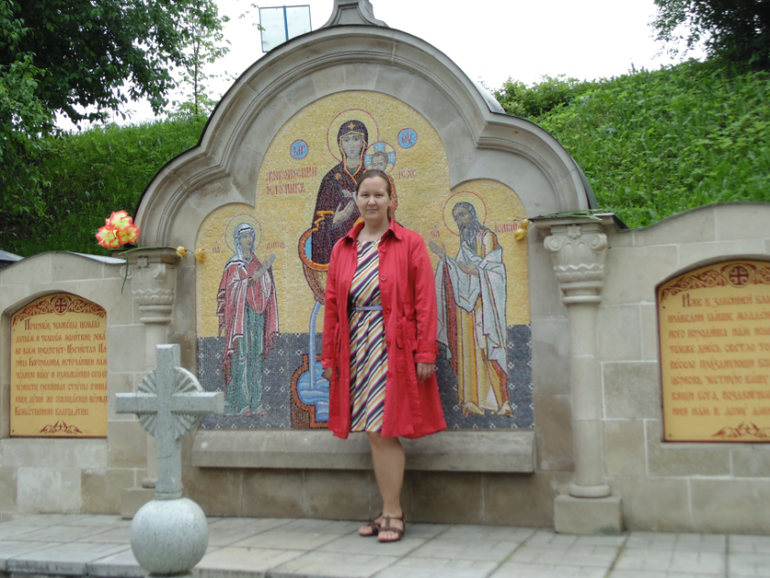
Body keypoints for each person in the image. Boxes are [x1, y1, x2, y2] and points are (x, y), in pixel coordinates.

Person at [322, 169, 446, 543]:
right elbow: (332, 308)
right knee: (374, 432)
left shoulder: (410, 243)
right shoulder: (343, 247)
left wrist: (425, 352)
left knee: (382, 430)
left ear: (392, 200)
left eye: (379, 194)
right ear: (356, 200)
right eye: (365, 195)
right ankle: (388, 510)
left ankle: (393, 513)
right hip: (356, 347)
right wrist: (329, 359)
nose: (372, 201)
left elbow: (425, 301)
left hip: (392, 346)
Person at [429, 202, 512, 417]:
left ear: (472, 215)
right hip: (466, 309)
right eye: (456, 217)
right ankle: (472, 400)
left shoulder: (487, 237)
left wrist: (477, 272)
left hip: (486, 306)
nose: (460, 221)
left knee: (488, 349)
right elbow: (460, 272)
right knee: (469, 352)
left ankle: (501, 402)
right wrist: (444, 259)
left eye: (463, 215)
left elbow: (497, 271)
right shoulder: (464, 243)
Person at [217, 223, 279, 416]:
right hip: (240, 316)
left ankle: (256, 403)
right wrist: (253, 279)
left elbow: (265, 288)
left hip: (256, 315)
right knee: (241, 358)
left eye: (251, 235)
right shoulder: (234, 264)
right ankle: (241, 403)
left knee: (256, 356)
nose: (249, 239)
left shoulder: (256, 262)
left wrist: (266, 272)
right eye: (245, 236)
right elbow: (230, 291)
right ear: (238, 240)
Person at [310, 120, 369, 265]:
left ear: (364, 143)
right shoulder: (331, 179)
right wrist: (335, 220)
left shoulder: (372, 175)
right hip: (341, 249)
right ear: (340, 144)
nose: (351, 145)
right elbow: (318, 225)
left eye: (356, 139)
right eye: (346, 140)